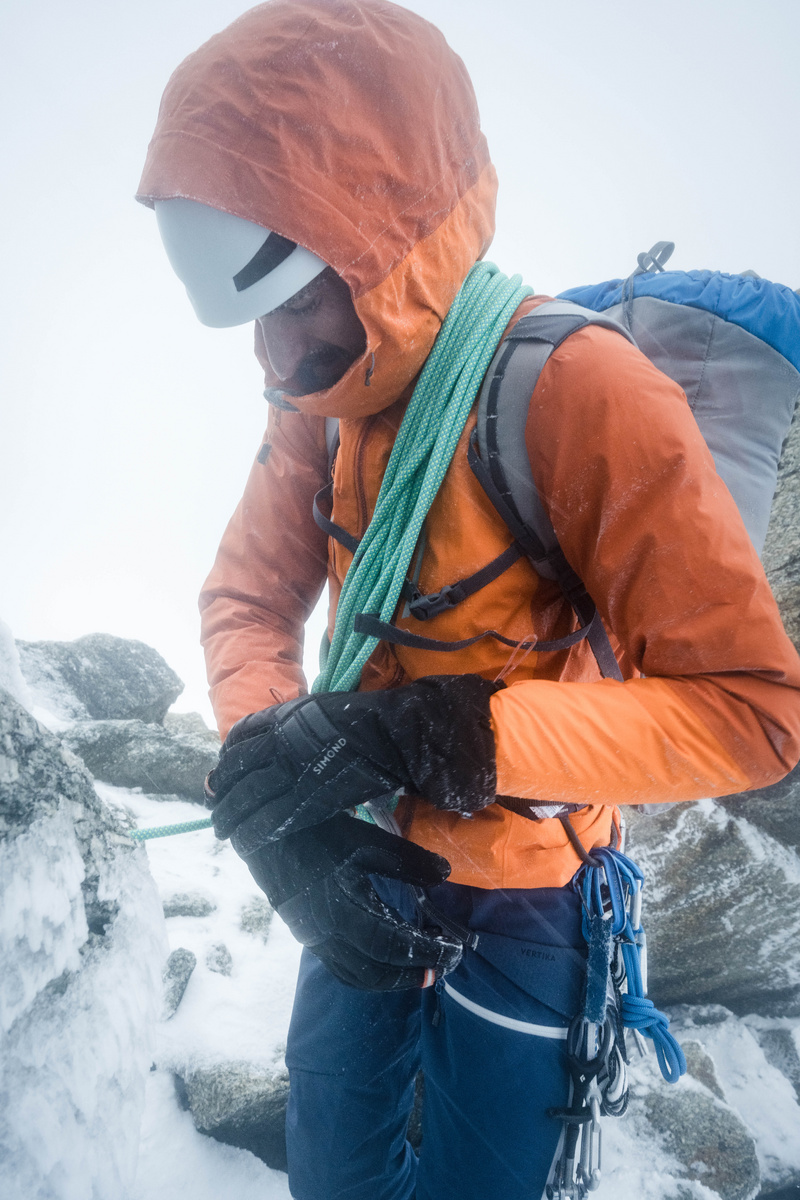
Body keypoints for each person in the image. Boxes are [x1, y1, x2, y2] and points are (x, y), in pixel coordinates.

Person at [137, 2, 800, 1197]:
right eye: (254, 316)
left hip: (531, 894)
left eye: (297, 300)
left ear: (380, 242)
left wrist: (444, 733)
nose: (274, 357)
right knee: (332, 1175)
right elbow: (247, 598)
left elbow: (750, 711)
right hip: (363, 854)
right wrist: (280, 793)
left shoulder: (580, 392)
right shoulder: (315, 404)